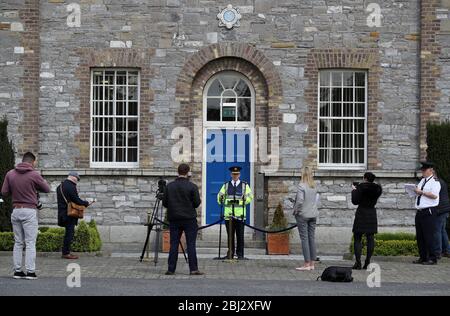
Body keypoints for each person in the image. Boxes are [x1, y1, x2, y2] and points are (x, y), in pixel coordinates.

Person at [1, 152, 50, 280]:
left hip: (16, 210)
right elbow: (47, 189)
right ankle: (30, 272)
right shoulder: (34, 174)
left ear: (22, 160)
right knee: (30, 242)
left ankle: (17, 271)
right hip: (29, 211)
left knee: (18, 242)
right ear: (32, 162)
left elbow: (4, 192)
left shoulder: (10, 174)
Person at [162, 163, 203, 275]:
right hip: (189, 219)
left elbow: (165, 203)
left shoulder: (169, 186)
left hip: (174, 218)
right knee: (191, 244)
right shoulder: (192, 186)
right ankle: (193, 269)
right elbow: (196, 203)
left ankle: (171, 269)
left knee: (174, 244)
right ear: (188, 172)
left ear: (178, 172)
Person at [217, 166, 253, 260]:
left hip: (240, 215)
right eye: (233, 174)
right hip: (228, 216)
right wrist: (222, 200)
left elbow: (250, 197)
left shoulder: (245, 185)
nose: (235, 176)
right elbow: (219, 197)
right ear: (231, 174)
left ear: (239, 174)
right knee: (230, 236)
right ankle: (230, 254)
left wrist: (242, 201)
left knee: (240, 236)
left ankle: (240, 254)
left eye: (236, 174)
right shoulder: (226, 185)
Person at [56, 171, 91, 259]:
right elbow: (76, 200)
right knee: (69, 234)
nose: (77, 181)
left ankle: (65, 252)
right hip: (69, 214)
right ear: (73, 177)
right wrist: (86, 203)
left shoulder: (59, 186)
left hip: (62, 213)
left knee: (68, 233)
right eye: (77, 179)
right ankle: (66, 253)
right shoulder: (71, 186)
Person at [351, 172, 382, 270]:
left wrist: (354, 191)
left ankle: (358, 262)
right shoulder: (378, 188)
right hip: (371, 212)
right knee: (370, 238)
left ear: (365, 178)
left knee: (357, 238)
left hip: (361, 212)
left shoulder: (360, 187)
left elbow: (355, 201)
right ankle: (367, 261)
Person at [413, 161, 441, 265]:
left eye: (424, 170)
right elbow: (419, 193)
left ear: (430, 170)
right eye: (422, 170)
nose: (422, 172)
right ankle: (423, 257)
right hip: (420, 211)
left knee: (429, 236)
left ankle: (432, 258)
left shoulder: (435, 182)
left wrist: (421, 192)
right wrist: (414, 191)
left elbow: (434, 195)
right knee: (420, 236)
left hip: (429, 211)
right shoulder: (422, 181)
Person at [293, 167, 319, 271]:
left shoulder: (301, 186)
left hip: (303, 215)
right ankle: (312, 263)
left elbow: (300, 201)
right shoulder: (314, 186)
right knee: (311, 238)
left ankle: (306, 264)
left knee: (304, 239)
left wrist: (295, 210)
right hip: (313, 214)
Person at [433, 171, 450, 259]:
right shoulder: (441, 181)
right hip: (444, 209)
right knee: (442, 231)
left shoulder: (436, 183)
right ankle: (447, 251)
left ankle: (438, 252)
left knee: (437, 231)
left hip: (440, 209)